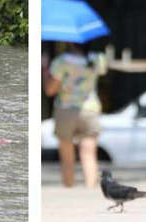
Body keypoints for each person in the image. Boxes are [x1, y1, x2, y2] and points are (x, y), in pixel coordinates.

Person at [42, 43, 107, 188]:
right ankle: (90, 189)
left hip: (65, 109)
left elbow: (50, 90)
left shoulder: (62, 61)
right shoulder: (98, 59)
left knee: (67, 157)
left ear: (70, 42)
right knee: (89, 154)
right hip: (90, 109)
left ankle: (69, 189)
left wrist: (45, 72)